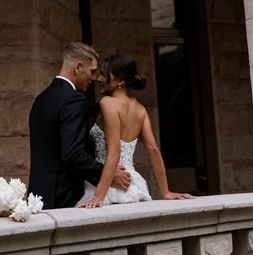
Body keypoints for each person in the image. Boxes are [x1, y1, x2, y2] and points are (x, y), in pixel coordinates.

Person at [78, 54, 194, 208]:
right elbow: (153, 149)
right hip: (133, 184)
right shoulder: (140, 109)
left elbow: (114, 151)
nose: (98, 78)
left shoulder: (107, 103)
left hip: (108, 184)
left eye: (104, 74)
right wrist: (165, 192)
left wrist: (98, 197)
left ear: (120, 81)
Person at [28, 42, 131, 210]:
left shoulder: (41, 100)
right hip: (64, 199)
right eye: (91, 71)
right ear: (78, 67)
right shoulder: (74, 100)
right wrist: (108, 173)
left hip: (38, 197)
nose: (94, 77)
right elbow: (73, 155)